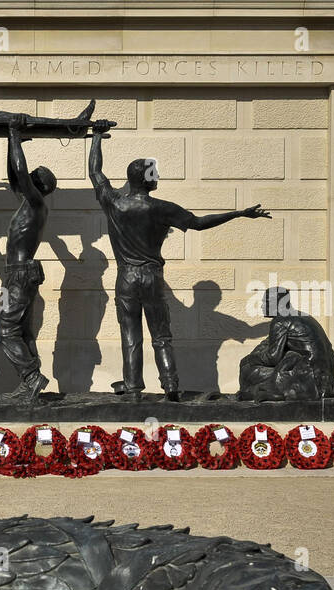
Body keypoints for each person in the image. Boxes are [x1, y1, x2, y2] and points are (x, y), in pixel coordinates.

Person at [89, 121, 272, 401]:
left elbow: (95, 172)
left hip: (126, 277)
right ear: (146, 179)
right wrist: (237, 213)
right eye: (154, 173)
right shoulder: (162, 208)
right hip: (151, 276)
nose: (157, 175)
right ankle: (171, 387)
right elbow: (199, 223)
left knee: (131, 336)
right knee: (161, 336)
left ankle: (134, 389)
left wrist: (97, 137)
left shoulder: (114, 203)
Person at [0, 117, 56, 401]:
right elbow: (14, 175)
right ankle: (29, 383)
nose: (24, 179)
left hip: (18, 276)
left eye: (31, 178)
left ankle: (31, 376)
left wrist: (15, 134)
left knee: (6, 331)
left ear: (38, 185)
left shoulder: (35, 203)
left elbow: (19, 172)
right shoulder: (29, 204)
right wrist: (11, 141)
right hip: (16, 275)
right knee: (21, 330)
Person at [238, 287, 334, 401]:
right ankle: (260, 392)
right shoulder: (302, 316)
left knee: (251, 370)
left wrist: (249, 360)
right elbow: (267, 343)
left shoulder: (280, 321)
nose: (262, 306)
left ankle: (266, 393)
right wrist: (255, 354)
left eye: (266, 302)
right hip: (325, 381)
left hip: (308, 380)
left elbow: (273, 357)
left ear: (279, 303)